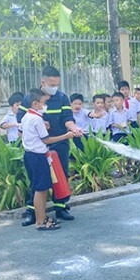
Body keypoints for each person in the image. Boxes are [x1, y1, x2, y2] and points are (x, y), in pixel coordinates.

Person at [17, 65, 83, 225]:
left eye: (57, 85)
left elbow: (68, 118)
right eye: (52, 85)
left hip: (59, 144)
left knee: (61, 176)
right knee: (37, 179)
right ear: (43, 82)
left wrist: (74, 129)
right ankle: (32, 211)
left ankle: (61, 207)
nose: (55, 88)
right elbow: (20, 121)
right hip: (38, 148)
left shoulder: (62, 98)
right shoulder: (30, 99)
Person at [21, 89, 74, 231]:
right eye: (44, 103)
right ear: (35, 103)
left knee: (41, 187)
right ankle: (40, 221)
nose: (46, 106)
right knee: (41, 189)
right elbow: (46, 139)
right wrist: (65, 136)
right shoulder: (37, 119)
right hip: (38, 156)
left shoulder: (27, 117)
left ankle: (42, 217)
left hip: (30, 155)